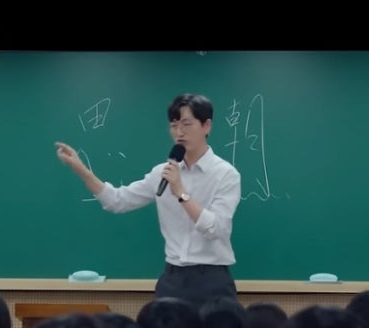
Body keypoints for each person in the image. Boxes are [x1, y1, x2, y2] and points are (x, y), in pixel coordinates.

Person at [55, 93, 241, 306]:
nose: (179, 132)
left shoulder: (226, 174)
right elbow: (117, 201)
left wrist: (181, 193)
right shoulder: (162, 173)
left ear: (206, 126)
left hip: (212, 280)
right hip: (173, 278)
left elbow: (216, 229)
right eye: (174, 126)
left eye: (186, 124)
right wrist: (81, 170)